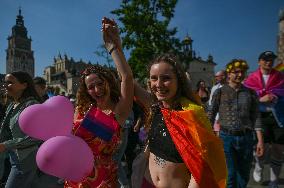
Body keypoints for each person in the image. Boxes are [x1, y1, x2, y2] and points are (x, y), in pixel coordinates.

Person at [134, 53, 227, 188]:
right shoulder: (156, 108)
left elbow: (202, 166)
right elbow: (127, 78)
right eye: (154, 78)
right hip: (147, 183)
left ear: (179, 81)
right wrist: (115, 47)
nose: (159, 84)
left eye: (166, 78)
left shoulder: (191, 115)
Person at [64, 17, 134, 188]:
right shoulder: (81, 110)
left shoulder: (119, 111)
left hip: (104, 182)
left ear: (109, 83)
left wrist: (112, 48)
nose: (96, 90)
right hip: (75, 178)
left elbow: (127, 77)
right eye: (91, 87)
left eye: (100, 84)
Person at [208, 59, 264, 188]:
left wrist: (260, 140)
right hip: (226, 137)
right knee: (230, 174)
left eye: (242, 72)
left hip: (246, 137)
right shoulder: (220, 92)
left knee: (243, 174)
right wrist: (209, 136)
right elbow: (211, 114)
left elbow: (256, 117)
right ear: (229, 73)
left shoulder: (251, 93)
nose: (239, 74)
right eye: (236, 72)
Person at [244, 51, 284, 188]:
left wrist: (276, 96)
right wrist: (260, 98)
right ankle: (259, 166)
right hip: (260, 117)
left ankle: (274, 180)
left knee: (278, 149)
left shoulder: (279, 76)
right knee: (263, 147)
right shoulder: (252, 78)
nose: (269, 62)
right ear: (259, 62)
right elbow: (247, 96)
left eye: (271, 59)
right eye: (265, 59)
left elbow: (282, 91)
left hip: (278, 117)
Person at [0, 71, 42, 188]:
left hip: (25, 162)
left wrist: (6, 145)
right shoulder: (11, 105)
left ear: (24, 85)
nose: (5, 85)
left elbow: (36, 137)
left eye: (10, 82)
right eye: (5, 82)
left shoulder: (32, 105)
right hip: (13, 158)